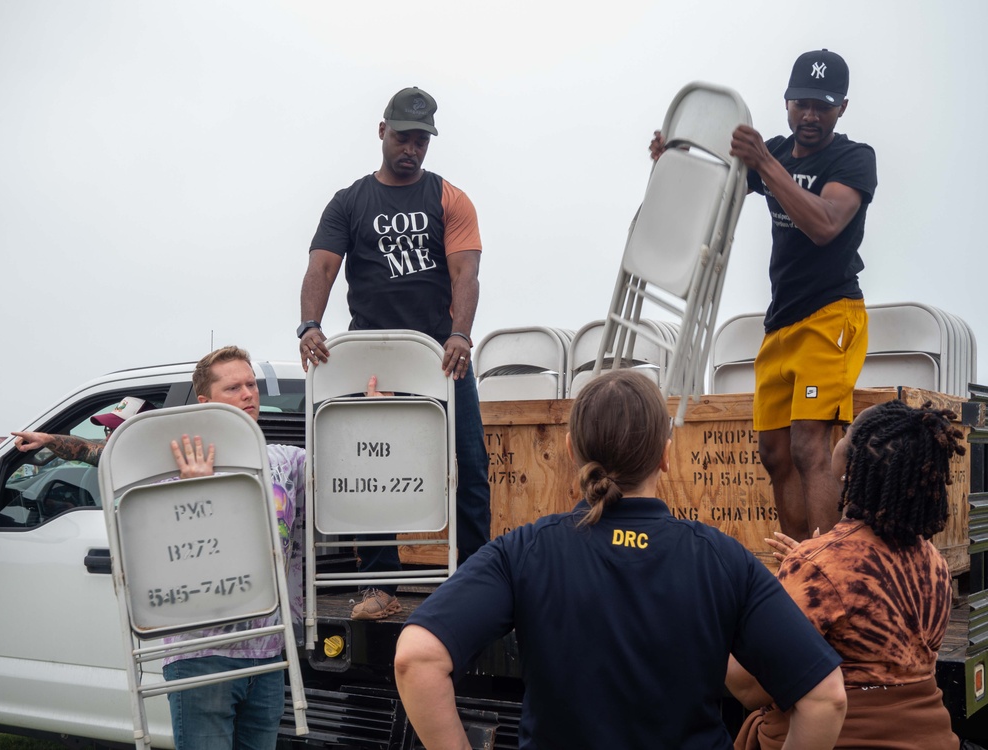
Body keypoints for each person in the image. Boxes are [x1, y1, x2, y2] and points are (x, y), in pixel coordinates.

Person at [394, 369, 847, 750]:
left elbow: (416, 660)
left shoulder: (525, 550)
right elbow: (826, 700)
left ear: (571, 451)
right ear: (666, 456)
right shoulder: (722, 558)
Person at [651, 49, 877, 540]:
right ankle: (797, 566)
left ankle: (827, 573)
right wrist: (675, 155)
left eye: (824, 105)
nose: (811, 116)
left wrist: (766, 164)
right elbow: (716, 181)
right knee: (774, 454)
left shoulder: (853, 158)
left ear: (842, 109)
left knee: (808, 448)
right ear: (787, 102)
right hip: (781, 324)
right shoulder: (773, 152)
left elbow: (824, 224)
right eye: (802, 104)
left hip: (831, 316)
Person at [298, 86, 491, 620]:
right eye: (404, 137)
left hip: (438, 355)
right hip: (374, 359)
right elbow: (321, 268)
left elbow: (465, 273)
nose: (412, 149)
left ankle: (480, 577)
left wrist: (460, 334)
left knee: (470, 464)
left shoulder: (450, 198)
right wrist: (310, 324)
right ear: (381, 131)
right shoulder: (349, 201)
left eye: (422, 141)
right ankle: (382, 584)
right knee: (369, 469)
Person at [727, 400, 964, 750]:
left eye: (848, 431)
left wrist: (730, 610)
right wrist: (814, 567)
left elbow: (750, 687)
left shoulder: (822, 564)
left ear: (852, 460)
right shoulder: (935, 564)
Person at [162, 346, 307, 750]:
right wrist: (194, 493)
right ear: (206, 403)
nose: (249, 394)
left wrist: (372, 416)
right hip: (203, 651)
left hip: (268, 649)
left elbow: (341, 468)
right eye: (234, 387)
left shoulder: (284, 460)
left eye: (251, 385)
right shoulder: (174, 466)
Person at [11, 396, 155, 465]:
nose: (108, 438)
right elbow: (83, 449)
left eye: (116, 430)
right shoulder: (120, 457)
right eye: (108, 430)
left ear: (143, 432)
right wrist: (47, 439)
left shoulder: (162, 465)